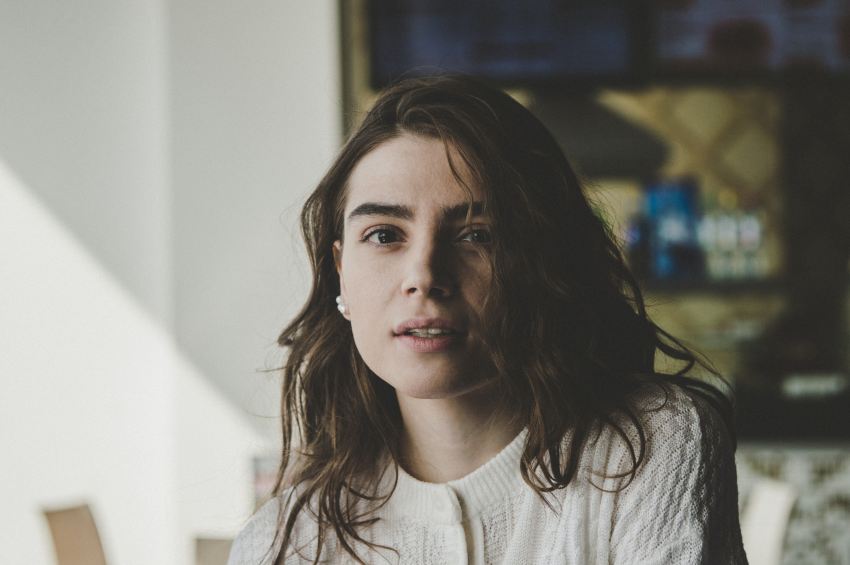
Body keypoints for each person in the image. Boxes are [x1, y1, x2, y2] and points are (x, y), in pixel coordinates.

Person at [227, 74, 748, 564]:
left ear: (542, 264)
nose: (425, 276)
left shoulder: (650, 444)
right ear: (340, 270)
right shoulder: (281, 545)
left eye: (478, 235)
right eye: (385, 234)